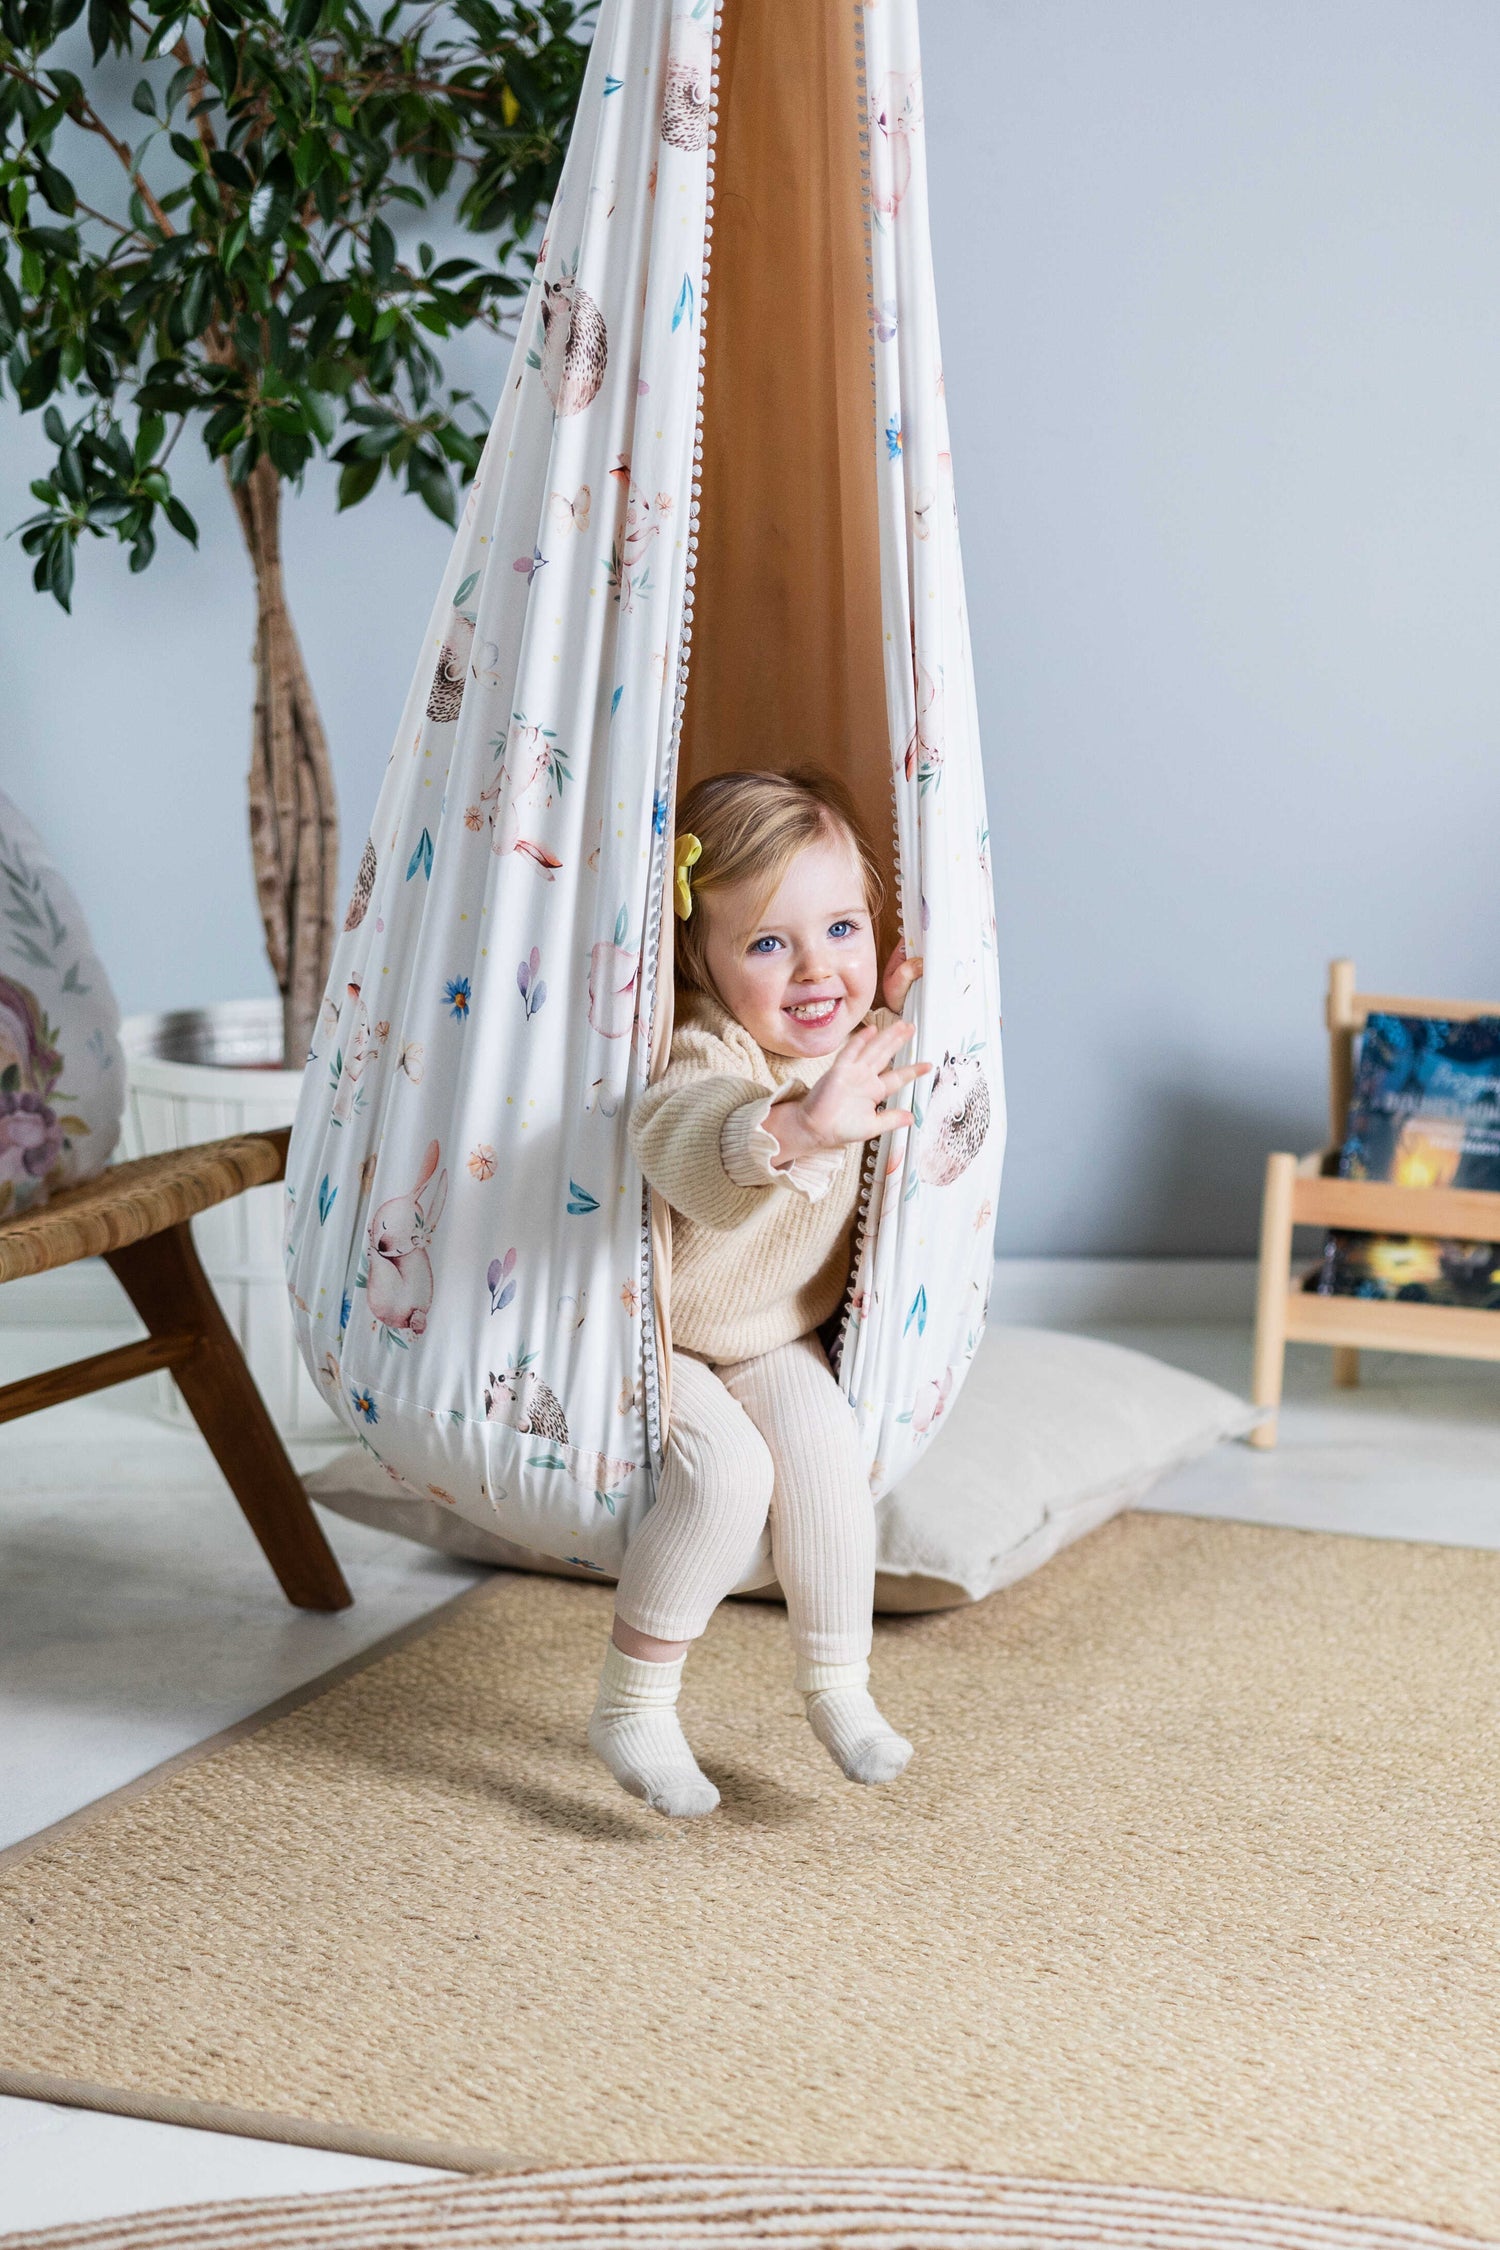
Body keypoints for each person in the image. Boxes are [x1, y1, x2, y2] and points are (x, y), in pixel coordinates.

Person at [587, 764, 929, 1816]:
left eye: (841, 930)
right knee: (729, 1478)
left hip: (769, 1331)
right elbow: (682, 1137)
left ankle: (836, 1687)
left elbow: (909, 1029)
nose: (818, 970)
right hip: (666, 1333)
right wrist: (793, 1129)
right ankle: (634, 1705)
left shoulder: (861, 1035)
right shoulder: (711, 1047)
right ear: (704, 960)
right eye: (769, 944)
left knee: (828, 1447)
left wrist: (924, 993)